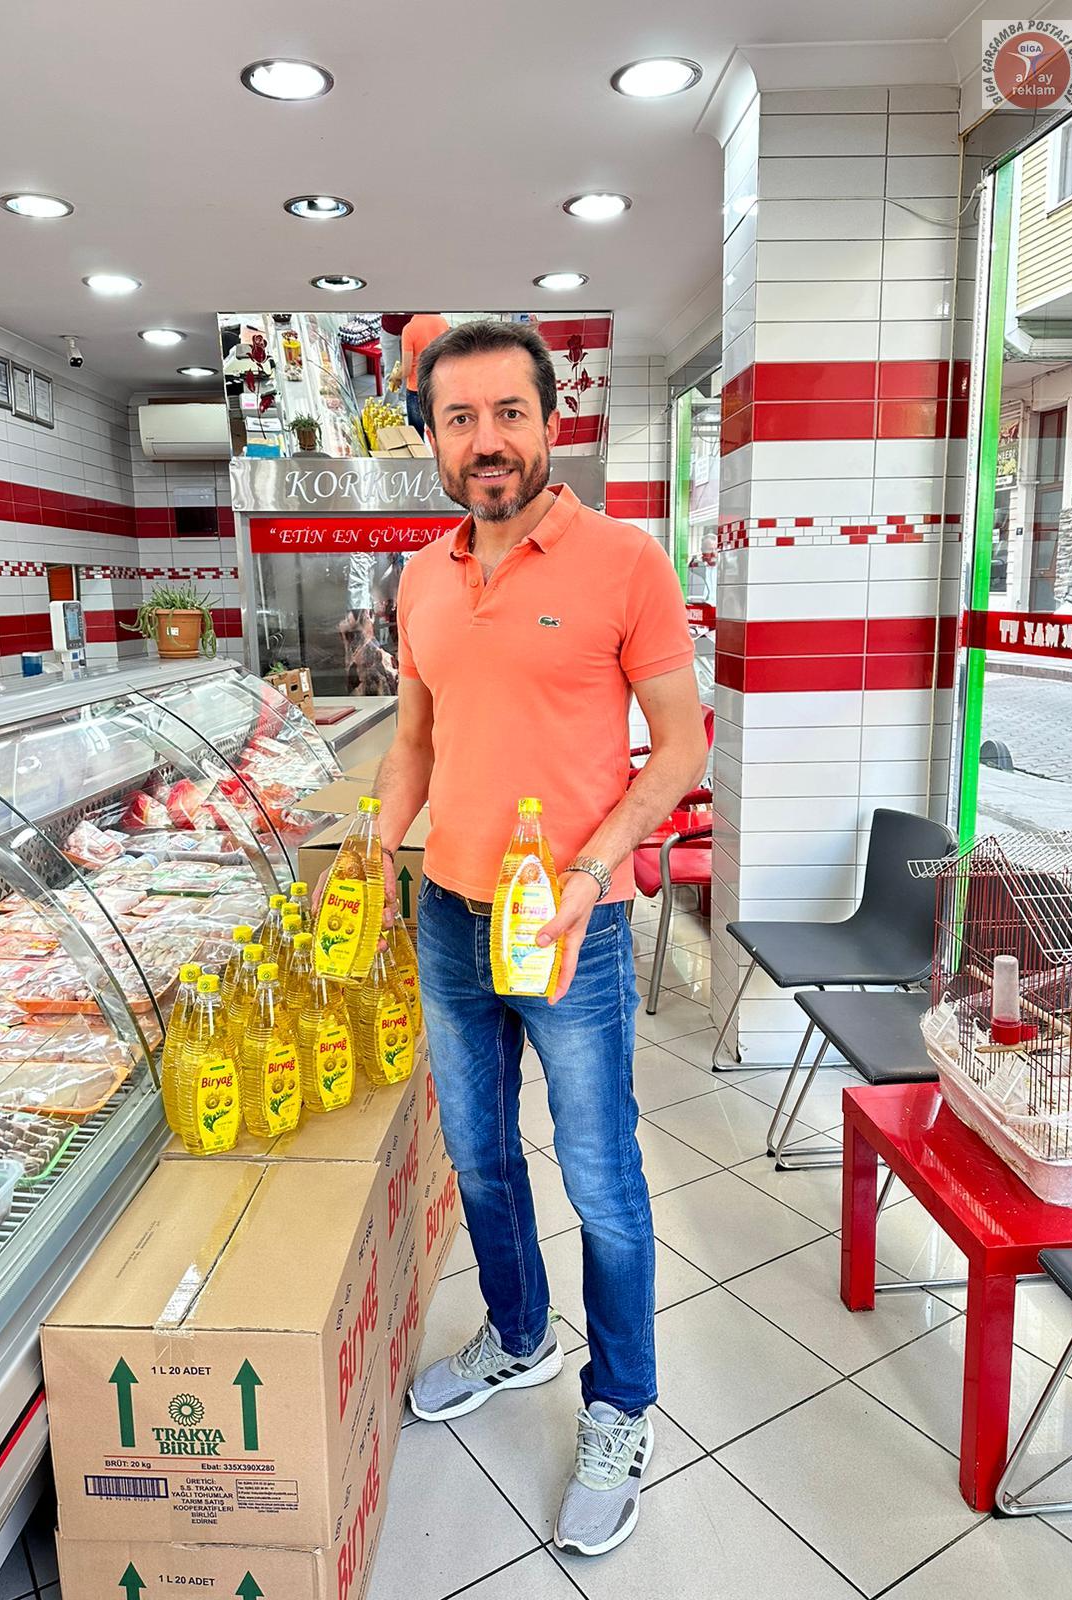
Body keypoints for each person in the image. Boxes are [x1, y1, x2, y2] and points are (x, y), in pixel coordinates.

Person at [361, 320, 706, 1557]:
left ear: (552, 422)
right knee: (481, 1156)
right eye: (460, 419)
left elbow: (682, 744)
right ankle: (518, 1336)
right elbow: (415, 739)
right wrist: (376, 839)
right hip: (451, 920)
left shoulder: (625, 562)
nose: (487, 439)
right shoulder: (420, 578)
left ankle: (620, 1406)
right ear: (433, 439)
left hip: (575, 928)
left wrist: (593, 868)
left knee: (602, 1178)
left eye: (509, 412)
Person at [401, 312, 450, 435]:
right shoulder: (441, 321)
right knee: (439, 430)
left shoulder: (409, 329)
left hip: (416, 389)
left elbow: (406, 369)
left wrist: (395, 376)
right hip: (438, 385)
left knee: (416, 433)